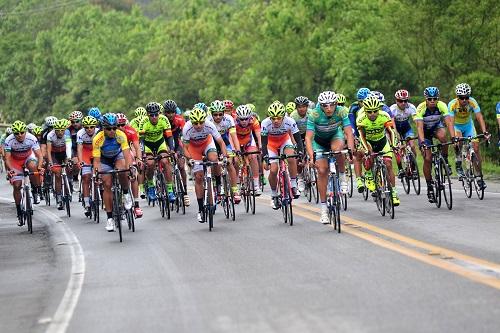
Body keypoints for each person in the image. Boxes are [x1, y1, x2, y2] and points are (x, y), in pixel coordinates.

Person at [305, 91, 355, 223]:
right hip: (319, 141)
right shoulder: (314, 114)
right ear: (320, 106)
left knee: (338, 151)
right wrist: (311, 157)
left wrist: (350, 150)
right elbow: (308, 138)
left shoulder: (342, 111)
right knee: (322, 171)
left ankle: (343, 177)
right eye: (325, 106)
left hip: (335, 137)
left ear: (336, 104)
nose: (328, 109)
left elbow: (349, 133)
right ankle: (323, 210)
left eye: (332, 105)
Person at [182, 107, 228, 223]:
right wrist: (190, 159)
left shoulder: (209, 125)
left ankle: (218, 184)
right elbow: (185, 148)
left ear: (204, 120)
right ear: (191, 122)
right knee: (198, 176)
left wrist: (225, 156)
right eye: (195, 123)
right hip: (194, 148)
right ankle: (201, 209)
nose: (198, 125)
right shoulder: (187, 128)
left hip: (207, 143)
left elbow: (221, 142)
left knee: (214, 159)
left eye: (201, 122)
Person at [92, 113, 133, 232]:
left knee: (122, 170)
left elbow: (126, 154)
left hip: (117, 156)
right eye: (109, 129)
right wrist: (97, 174)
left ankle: (125, 194)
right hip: (104, 160)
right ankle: (109, 218)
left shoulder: (121, 135)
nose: (112, 131)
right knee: (107, 184)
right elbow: (97, 161)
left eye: (114, 128)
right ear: (103, 128)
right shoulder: (98, 138)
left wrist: (130, 168)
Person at [415, 86, 456, 203]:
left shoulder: (442, 105)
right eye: (430, 99)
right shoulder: (421, 108)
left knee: (443, 137)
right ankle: (429, 187)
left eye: (434, 98)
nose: (432, 101)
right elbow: (419, 127)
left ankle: (445, 160)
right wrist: (422, 142)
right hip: (425, 132)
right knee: (428, 158)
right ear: (426, 99)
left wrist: (453, 137)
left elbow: (448, 122)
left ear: (437, 99)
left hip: (436, 127)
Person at [357, 96, 400, 206]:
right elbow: (361, 136)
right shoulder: (361, 119)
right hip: (368, 142)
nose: (372, 114)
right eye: (369, 112)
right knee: (368, 155)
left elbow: (391, 132)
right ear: (365, 110)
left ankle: (394, 193)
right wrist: (366, 150)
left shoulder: (384, 116)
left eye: (375, 111)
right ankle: (368, 174)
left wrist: (394, 145)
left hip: (382, 141)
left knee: (389, 163)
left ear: (379, 109)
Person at [261, 101, 304, 209]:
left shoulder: (290, 121)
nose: (276, 121)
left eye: (279, 118)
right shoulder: (265, 123)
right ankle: (274, 194)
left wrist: (300, 152)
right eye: (273, 118)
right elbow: (264, 143)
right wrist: (265, 157)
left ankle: (294, 185)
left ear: (283, 117)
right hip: (271, 145)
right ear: (270, 117)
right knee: (273, 169)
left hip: (285, 141)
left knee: (291, 157)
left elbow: (298, 140)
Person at [448, 83, 490, 189]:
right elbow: (450, 122)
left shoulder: (472, 102)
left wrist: (484, 132)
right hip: (457, 126)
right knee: (459, 142)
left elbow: (479, 116)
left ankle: (479, 178)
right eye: (462, 98)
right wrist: (453, 137)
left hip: (468, 126)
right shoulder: (452, 104)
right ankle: (458, 160)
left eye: (467, 97)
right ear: (457, 97)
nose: (464, 100)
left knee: (476, 149)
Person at [4, 121, 44, 224]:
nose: (20, 135)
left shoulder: (31, 138)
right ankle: (19, 211)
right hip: (15, 161)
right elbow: (7, 159)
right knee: (17, 186)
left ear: (25, 132)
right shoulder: (9, 140)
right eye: (17, 133)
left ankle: (36, 190)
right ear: (13, 133)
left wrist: (39, 167)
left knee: (33, 167)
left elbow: (39, 155)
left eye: (22, 132)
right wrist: (10, 170)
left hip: (28, 158)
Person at [140, 102, 176, 203]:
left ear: (159, 113)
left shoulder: (164, 119)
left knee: (165, 161)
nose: (154, 117)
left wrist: (172, 149)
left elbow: (169, 136)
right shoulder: (144, 122)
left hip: (160, 143)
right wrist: (142, 153)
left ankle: (170, 190)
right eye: (152, 115)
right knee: (150, 164)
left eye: (156, 114)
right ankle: (151, 186)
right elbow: (141, 140)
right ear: (148, 114)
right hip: (148, 145)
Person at [209, 100, 242, 202]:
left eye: (220, 114)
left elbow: (234, 136)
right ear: (211, 114)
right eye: (215, 114)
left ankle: (235, 190)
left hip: (225, 141)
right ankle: (218, 187)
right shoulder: (208, 121)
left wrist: (237, 150)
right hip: (212, 142)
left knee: (229, 162)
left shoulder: (229, 119)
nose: (218, 117)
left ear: (223, 113)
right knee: (216, 163)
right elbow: (207, 139)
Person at [116, 113, 144, 217]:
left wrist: (139, 159)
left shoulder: (130, 131)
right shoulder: (111, 132)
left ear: (126, 124)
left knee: (133, 175)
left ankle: (136, 205)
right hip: (114, 154)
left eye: (122, 125)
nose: (120, 128)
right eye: (117, 125)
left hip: (126, 151)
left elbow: (137, 147)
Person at [164, 99, 190, 206]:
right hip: (165, 141)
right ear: (164, 112)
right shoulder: (162, 120)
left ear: (175, 112)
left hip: (176, 140)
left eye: (172, 112)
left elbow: (185, 135)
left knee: (181, 165)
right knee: (167, 164)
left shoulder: (179, 119)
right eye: (168, 112)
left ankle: (185, 192)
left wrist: (184, 149)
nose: (170, 115)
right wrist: (168, 149)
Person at [390, 89, 418, 178]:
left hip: (406, 128)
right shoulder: (393, 109)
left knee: (412, 146)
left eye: (405, 101)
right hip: (396, 129)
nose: (403, 103)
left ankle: (413, 168)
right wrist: (396, 134)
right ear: (396, 101)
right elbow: (392, 123)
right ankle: (400, 169)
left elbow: (417, 121)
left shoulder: (411, 107)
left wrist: (419, 131)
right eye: (400, 101)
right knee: (397, 148)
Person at [47, 119, 73, 210]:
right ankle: (58, 197)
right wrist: (50, 163)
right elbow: (49, 151)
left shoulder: (67, 133)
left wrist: (69, 159)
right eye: (58, 130)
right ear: (55, 130)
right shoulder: (50, 135)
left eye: (62, 130)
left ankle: (69, 181)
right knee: (57, 174)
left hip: (64, 153)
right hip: (55, 154)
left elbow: (68, 147)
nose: (60, 132)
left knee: (69, 167)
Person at [349, 87, 371, 192]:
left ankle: (370, 173)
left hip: (370, 132)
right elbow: (351, 124)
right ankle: (358, 180)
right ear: (358, 101)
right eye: (362, 101)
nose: (364, 103)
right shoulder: (353, 108)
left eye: (366, 101)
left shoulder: (373, 105)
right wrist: (354, 137)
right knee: (358, 154)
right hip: (358, 131)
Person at [77, 116, 98, 217]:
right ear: (84, 127)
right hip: (85, 153)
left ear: (95, 127)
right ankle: (87, 203)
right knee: (86, 178)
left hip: (96, 152)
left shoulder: (99, 132)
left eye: (91, 127)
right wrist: (80, 161)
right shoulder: (80, 134)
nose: (89, 129)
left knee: (100, 174)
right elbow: (80, 148)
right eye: (87, 127)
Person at [289, 96, 310, 192]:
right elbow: (291, 132)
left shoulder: (311, 113)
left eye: (304, 106)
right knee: (298, 156)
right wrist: (295, 144)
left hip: (309, 133)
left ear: (307, 107)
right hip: (297, 135)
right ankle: (300, 178)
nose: (302, 109)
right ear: (296, 107)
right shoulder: (293, 116)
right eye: (299, 107)